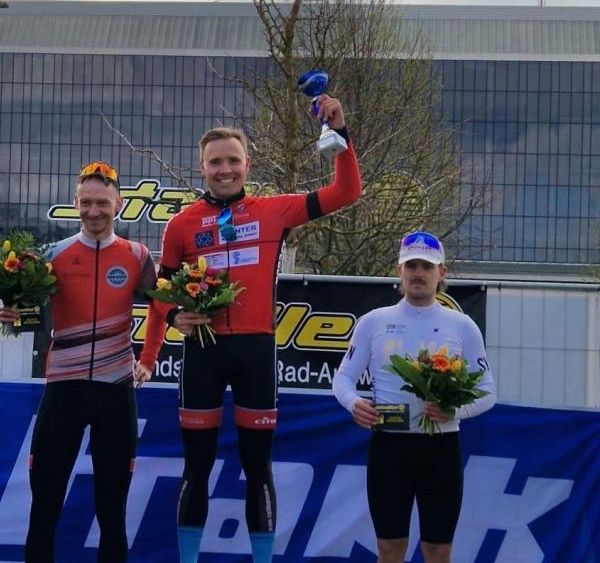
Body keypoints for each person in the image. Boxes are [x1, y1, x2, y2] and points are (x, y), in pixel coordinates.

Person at [142, 96, 361, 563]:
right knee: (196, 468)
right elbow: (160, 289)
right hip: (203, 355)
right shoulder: (180, 225)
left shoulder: (273, 210)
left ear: (248, 164)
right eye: (215, 162)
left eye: (233, 161)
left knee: (258, 469)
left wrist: (340, 134)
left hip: (256, 353)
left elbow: (346, 192)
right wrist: (174, 316)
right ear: (202, 168)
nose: (225, 170)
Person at [0, 161, 163, 563]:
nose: (94, 211)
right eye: (86, 202)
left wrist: (148, 358)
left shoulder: (137, 256)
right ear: (75, 203)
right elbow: (26, 307)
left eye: (102, 202)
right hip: (63, 390)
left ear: (118, 204)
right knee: (44, 505)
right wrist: (11, 313)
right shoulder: (53, 255)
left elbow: (161, 306)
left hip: (116, 391)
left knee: (111, 510)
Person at [332, 231, 497, 563]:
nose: (418, 273)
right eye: (411, 266)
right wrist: (354, 403)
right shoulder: (374, 322)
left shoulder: (462, 325)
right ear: (399, 271)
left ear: (441, 273)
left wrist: (455, 411)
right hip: (390, 446)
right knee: (389, 548)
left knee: (438, 550)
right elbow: (343, 378)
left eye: (426, 266)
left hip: (441, 448)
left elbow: (488, 390)